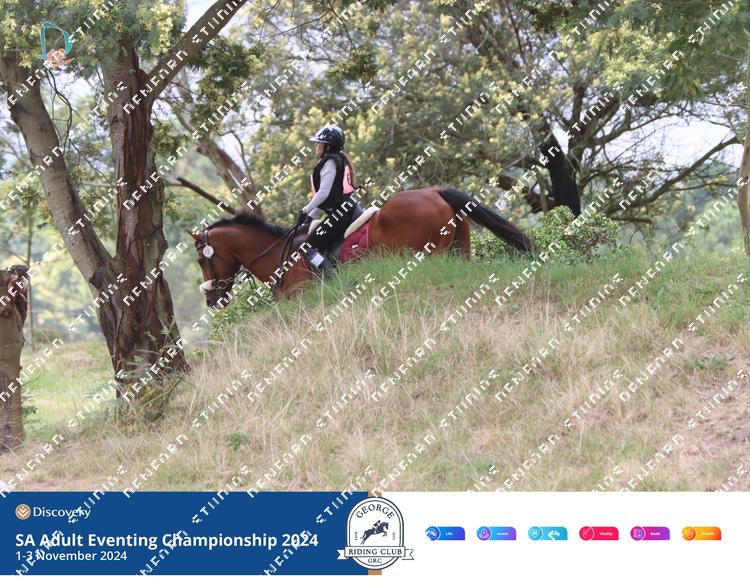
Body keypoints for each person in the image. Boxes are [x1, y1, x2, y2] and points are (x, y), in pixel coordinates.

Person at [298, 124, 357, 276]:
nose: (316, 145)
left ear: (328, 146)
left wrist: (306, 210)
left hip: (341, 214)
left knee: (307, 247)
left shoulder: (330, 162)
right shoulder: (338, 160)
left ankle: (332, 277)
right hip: (345, 210)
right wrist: (310, 217)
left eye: (319, 142)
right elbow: (328, 199)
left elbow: (323, 193)